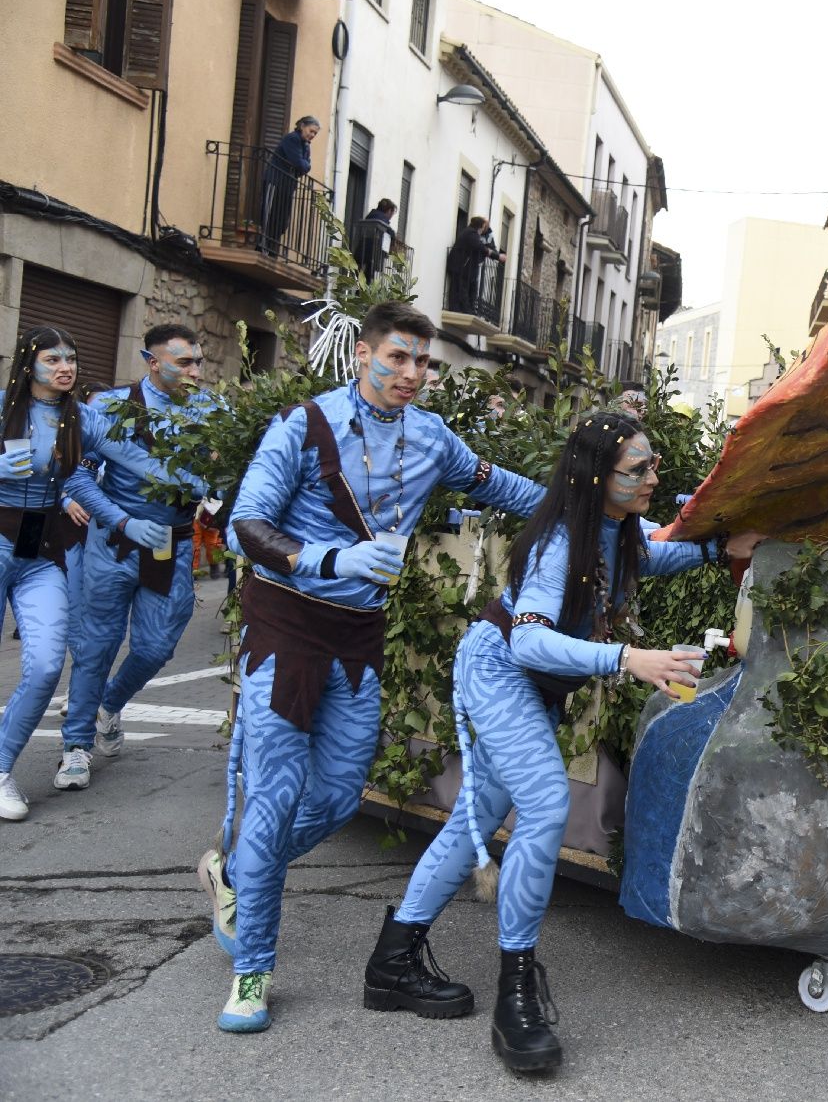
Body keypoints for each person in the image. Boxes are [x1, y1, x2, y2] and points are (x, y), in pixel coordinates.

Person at [364, 411, 764, 1072]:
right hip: (499, 670)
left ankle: (392, 960)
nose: (652, 477)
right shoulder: (557, 543)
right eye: (638, 468)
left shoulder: (613, 532)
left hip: (524, 686)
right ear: (596, 476)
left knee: (478, 822)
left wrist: (721, 548)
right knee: (547, 801)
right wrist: (626, 657)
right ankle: (515, 994)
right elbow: (528, 637)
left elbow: (650, 556)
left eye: (654, 463)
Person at [198, 301, 547, 1034]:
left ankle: (236, 873)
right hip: (285, 627)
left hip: (358, 634)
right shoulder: (304, 423)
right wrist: (332, 556)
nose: (413, 373)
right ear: (362, 354)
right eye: (398, 357)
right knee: (273, 797)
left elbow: (506, 487)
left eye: (424, 361)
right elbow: (245, 524)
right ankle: (253, 971)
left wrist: (595, 509)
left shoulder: (432, 437)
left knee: (331, 796)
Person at [0, 328, 176, 820]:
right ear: (27, 363)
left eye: (72, 357)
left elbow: (136, 461)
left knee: (45, 665)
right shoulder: (1, 408)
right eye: (53, 357)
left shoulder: (83, 419)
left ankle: (0, 770)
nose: (66, 365)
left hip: (41, 552)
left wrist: (214, 479)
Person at [60, 325, 214, 780]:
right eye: (184, 362)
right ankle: (75, 745)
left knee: (156, 646)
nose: (195, 371)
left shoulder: (210, 411)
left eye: (198, 362)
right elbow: (78, 478)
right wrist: (123, 520)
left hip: (173, 545)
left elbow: (225, 478)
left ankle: (109, 703)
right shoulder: (109, 406)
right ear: (153, 361)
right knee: (97, 645)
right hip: (113, 543)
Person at [261, 116, 319, 257]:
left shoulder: (305, 145)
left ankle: (272, 249)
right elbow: (299, 163)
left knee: (282, 220)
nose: (312, 135)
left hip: (287, 186)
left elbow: (305, 167)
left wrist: (304, 165)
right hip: (275, 181)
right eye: (311, 131)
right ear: (302, 126)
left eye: (315, 133)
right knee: (269, 216)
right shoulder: (292, 139)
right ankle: (263, 247)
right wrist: (304, 165)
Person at [445, 217, 504, 313]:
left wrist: (495, 255)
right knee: (460, 290)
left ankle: (470, 309)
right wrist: (496, 255)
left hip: (468, 268)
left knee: (471, 289)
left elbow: (487, 246)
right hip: (461, 267)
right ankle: (463, 310)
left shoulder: (478, 233)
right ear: (481, 226)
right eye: (483, 227)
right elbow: (479, 246)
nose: (483, 230)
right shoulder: (471, 233)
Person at [353, 198, 397, 278]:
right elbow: (390, 233)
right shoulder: (381, 220)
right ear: (389, 210)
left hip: (361, 251)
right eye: (392, 213)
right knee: (368, 280)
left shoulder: (370, 216)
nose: (391, 217)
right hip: (372, 255)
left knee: (358, 279)